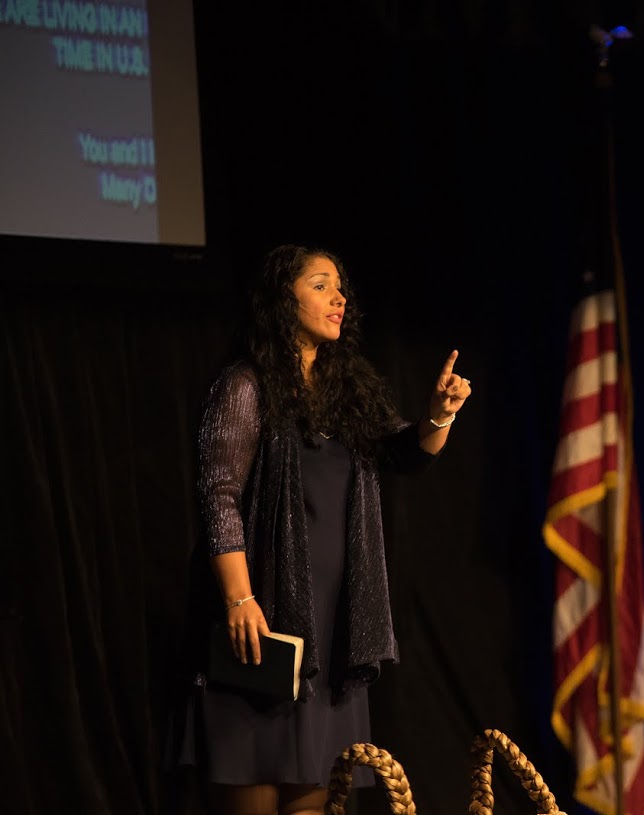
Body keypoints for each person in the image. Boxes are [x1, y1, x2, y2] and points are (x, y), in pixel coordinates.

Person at [167, 244, 472, 815]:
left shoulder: (346, 392)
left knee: (314, 800)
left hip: (332, 635)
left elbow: (406, 453)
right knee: (255, 791)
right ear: (284, 300)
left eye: (340, 287)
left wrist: (439, 414)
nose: (339, 297)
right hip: (264, 625)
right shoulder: (245, 385)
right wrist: (239, 599)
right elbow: (218, 495)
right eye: (320, 285)